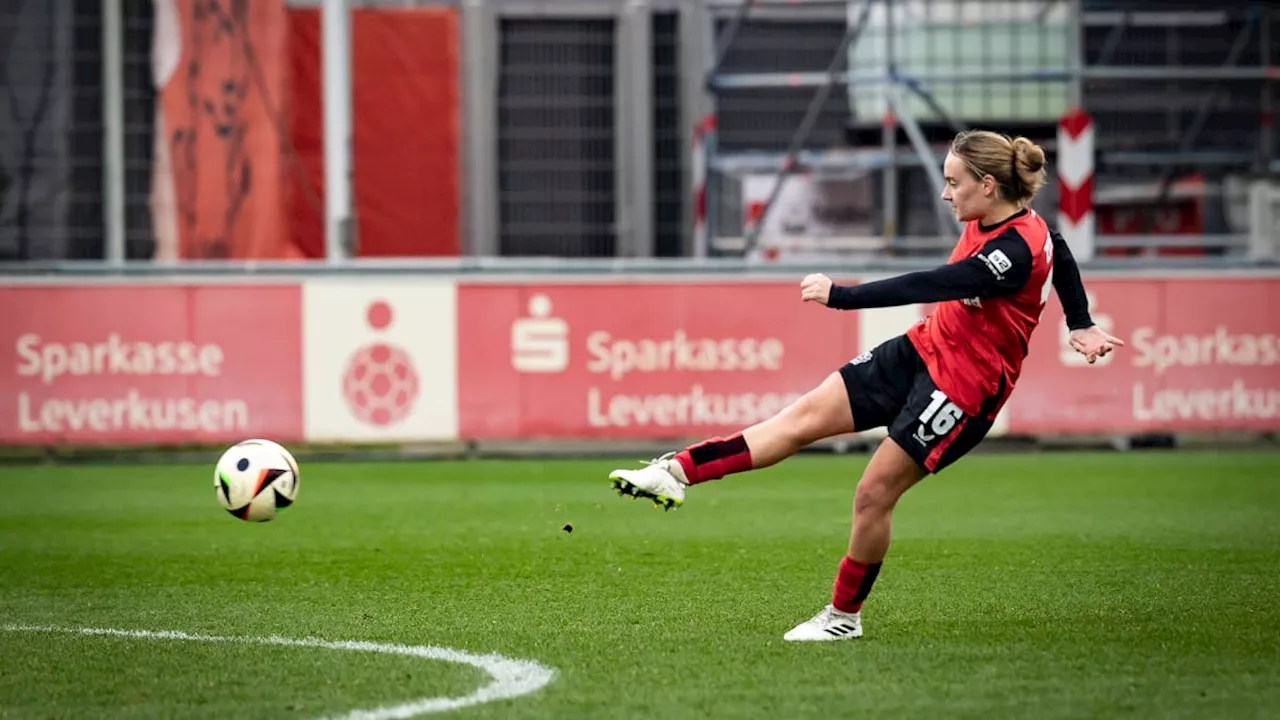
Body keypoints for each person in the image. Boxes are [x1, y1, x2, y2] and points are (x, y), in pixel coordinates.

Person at [608, 130, 1125, 642]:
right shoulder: (1019, 224)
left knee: (872, 495)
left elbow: (931, 283)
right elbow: (1057, 244)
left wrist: (843, 296)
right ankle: (676, 471)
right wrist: (1078, 321)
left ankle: (843, 617)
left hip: (964, 390)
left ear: (988, 185)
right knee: (801, 419)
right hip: (922, 348)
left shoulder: (1010, 252)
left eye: (953, 183)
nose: (946, 194)